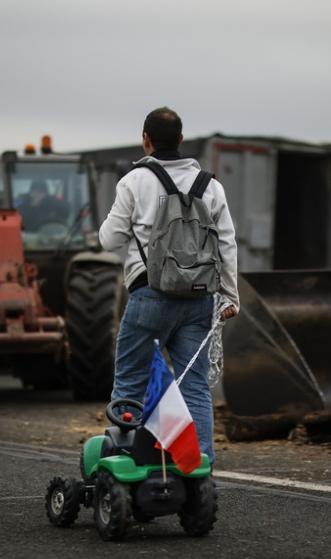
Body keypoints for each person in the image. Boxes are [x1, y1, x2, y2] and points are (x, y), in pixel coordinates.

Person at [99, 107, 239, 466]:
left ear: (146, 140)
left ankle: (127, 464)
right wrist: (230, 296)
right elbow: (226, 244)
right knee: (195, 388)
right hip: (199, 300)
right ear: (180, 140)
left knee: (130, 383)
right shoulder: (211, 186)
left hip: (150, 295)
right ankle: (199, 468)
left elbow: (110, 240)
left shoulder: (134, 181)